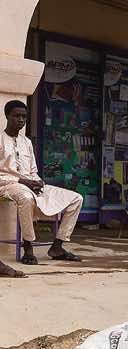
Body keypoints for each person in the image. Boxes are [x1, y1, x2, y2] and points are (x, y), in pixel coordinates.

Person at [0, 100, 84, 264]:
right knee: (26, 197)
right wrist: (21, 180)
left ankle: (57, 246)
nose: (21, 120)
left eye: (24, 116)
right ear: (7, 116)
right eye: (17, 116)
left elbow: (33, 171)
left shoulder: (27, 142)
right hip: (8, 186)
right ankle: (28, 248)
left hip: (31, 185)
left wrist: (38, 182)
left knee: (76, 198)